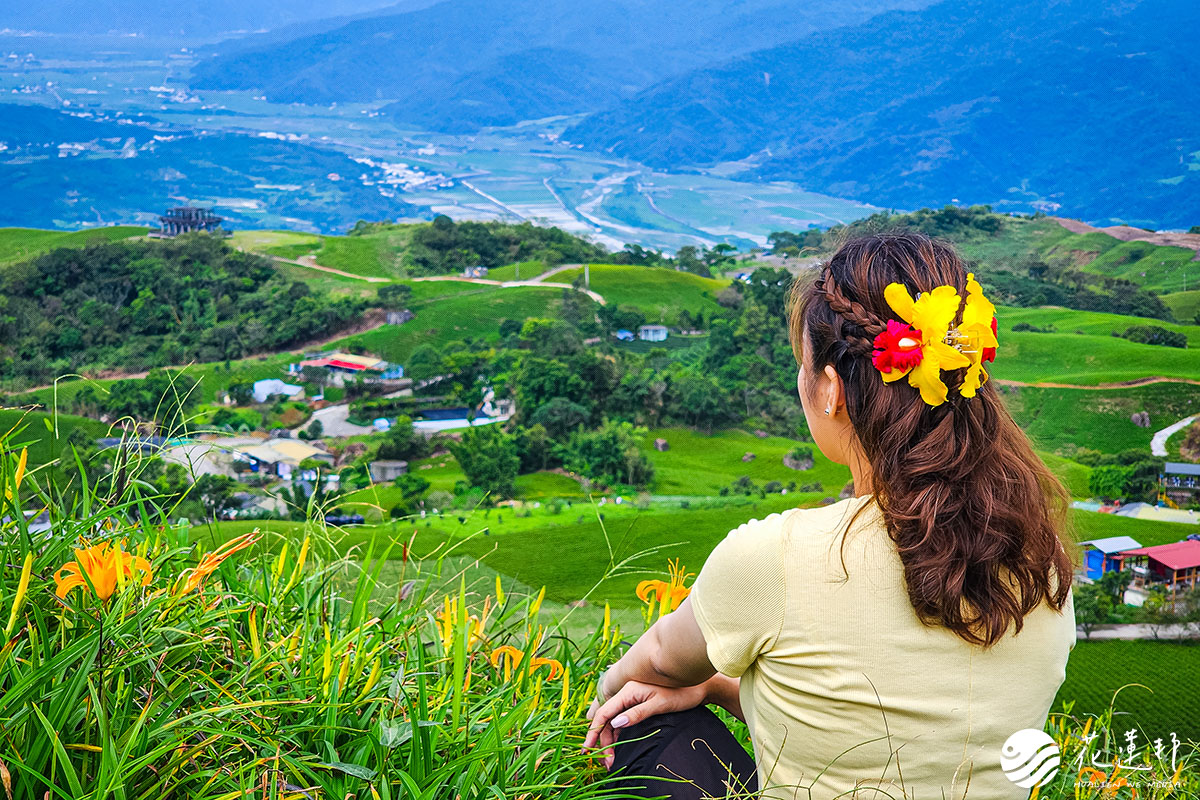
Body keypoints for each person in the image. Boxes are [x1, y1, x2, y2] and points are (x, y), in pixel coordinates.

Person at [583, 232, 1077, 799]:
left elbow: (652, 668)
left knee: (641, 719)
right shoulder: (1045, 564)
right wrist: (719, 689)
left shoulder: (776, 558)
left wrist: (610, 692)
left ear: (831, 390)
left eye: (803, 364)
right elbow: (904, 724)